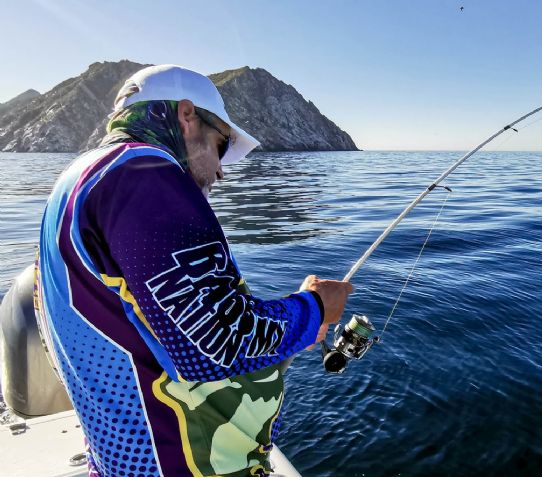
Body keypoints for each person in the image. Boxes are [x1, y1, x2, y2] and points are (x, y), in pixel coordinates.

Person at [34, 64, 353, 477]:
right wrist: (314, 309)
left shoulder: (79, 179)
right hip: (177, 464)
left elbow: (170, 322)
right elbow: (218, 343)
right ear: (187, 116)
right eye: (221, 146)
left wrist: (294, 323)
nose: (222, 169)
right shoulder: (143, 175)